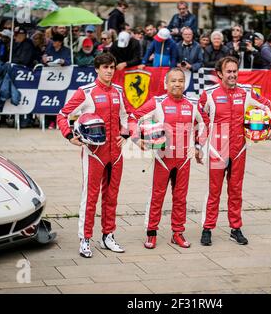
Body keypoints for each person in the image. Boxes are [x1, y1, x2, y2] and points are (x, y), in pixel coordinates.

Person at [198, 56, 271, 246]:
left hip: (239, 149)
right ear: (220, 74)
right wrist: (198, 145)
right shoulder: (209, 94)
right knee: (214, 192)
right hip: (217, 150)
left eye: (235, 71)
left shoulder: (247, 92)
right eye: (229, 71)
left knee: (236, 191)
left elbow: (266, 104)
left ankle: (236, 228)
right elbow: (200, 120)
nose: (233, 75)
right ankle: (207, 228)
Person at [56, 53, 130, 257]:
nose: (109, 71)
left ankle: (108, 236)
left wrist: (126, 133)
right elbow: (62, 114)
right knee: (90, 197)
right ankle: (85, 239)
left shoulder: (119, 91)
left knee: (112, 196)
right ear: (97, 69)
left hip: (115, 154)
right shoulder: (85, 91)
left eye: (112, 67)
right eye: (105, 67)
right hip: (94, 153)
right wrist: (69, 135)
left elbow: (127, 115)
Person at [127, 68, 205, 249]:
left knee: (181, 197)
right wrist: (137, 138)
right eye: (173, 81)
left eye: (180, 81)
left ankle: (177, 233)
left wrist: (199, 146)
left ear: (184, 83)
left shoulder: (192, 104)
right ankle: (151, 233)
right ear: (165, 83)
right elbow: (133, 117)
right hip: (163, 158)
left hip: (184, 159)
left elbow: (204, 122)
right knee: (157, 196)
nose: (177, 84)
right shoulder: (157, 102)